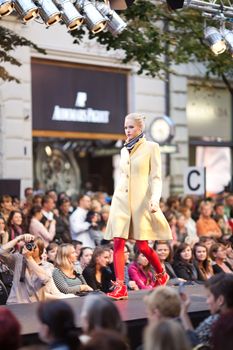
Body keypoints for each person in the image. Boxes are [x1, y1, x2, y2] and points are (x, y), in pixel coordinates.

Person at [104, 113, 172, 300]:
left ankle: (161, 274)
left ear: (140, 128)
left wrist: (155, 199)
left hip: (141, 201)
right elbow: (123, 177)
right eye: (125, 127)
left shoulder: (152, 147)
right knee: (117, 242)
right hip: (121, 201)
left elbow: (156, 177)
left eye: (131, 127)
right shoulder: (123, 149)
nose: (127, 130)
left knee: (142, 246)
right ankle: (120, 287)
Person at [0, 234, 50, 304]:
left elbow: (44, 279)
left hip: (34, 306)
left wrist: (29, 258)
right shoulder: (18, 259)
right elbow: (1, 252)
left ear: (41, 251)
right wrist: (19, 238)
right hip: (15, 303)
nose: (30, 247)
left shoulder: (46, 266)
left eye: (34, 246)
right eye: (28, 245)